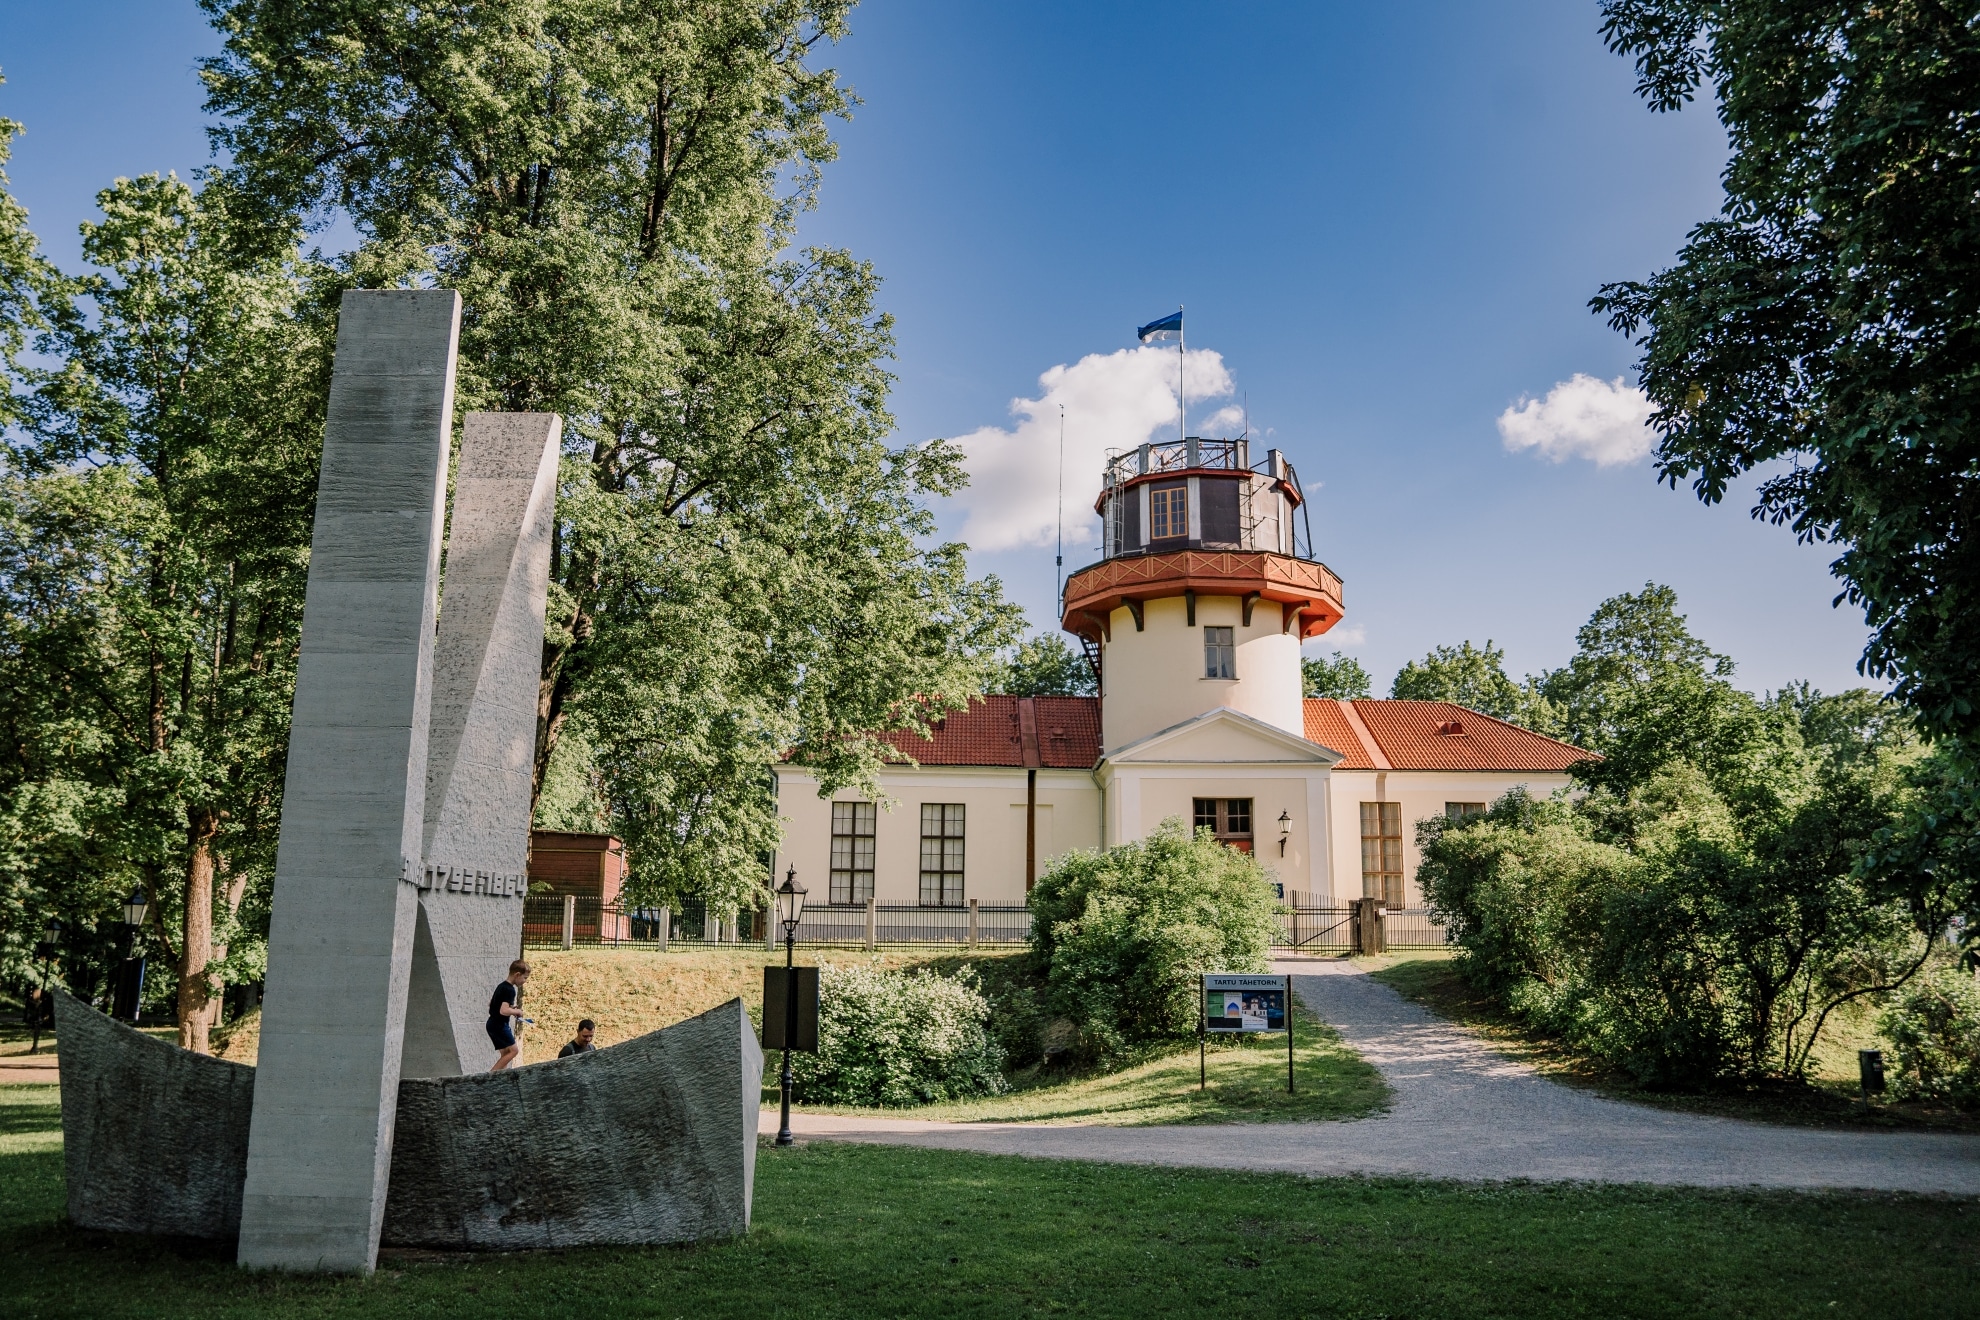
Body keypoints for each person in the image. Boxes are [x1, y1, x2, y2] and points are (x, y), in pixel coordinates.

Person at [487, 959, 531, 1071]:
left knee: (505, 1054)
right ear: (517, 974)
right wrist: (517, 1012)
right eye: (525, 978)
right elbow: (503, 1011)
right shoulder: (510, 990)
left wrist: (511, 1008)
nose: (525, 981)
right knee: (514, 1051)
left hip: (492, 1023)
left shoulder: (501, 986)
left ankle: (501, 1078)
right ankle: (490, 1077)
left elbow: (492, 1004)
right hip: (499, 1025)